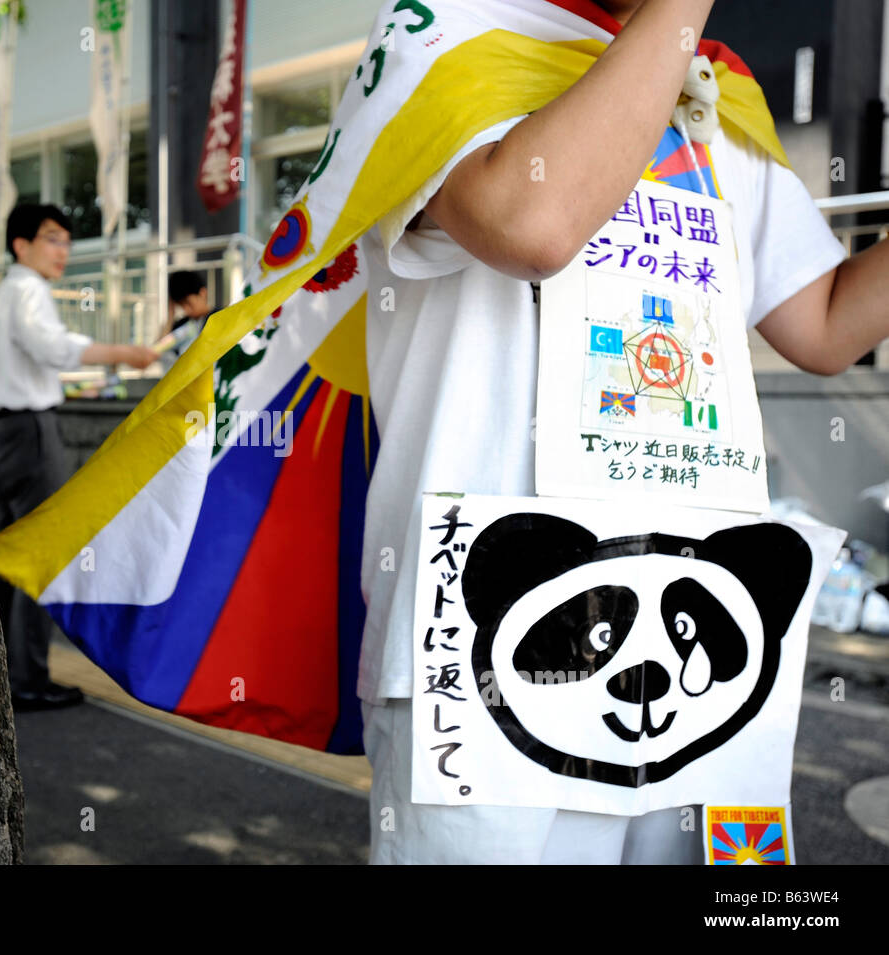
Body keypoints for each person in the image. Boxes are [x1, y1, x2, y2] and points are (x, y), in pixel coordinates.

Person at [359, 0, 889, 863]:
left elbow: (824, 322)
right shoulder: (441, 33)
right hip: (490, 643)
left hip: (705, 636)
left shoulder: (714, 89)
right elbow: (529, 224)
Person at [0, 202, 156, 711]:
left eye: (67, 241)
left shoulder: (6, 293)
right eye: (52, 238)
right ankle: (26, 678)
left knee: (8, 556)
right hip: (28, 433)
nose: (63, 250)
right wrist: (123, 353)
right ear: (21, 245)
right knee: (41, 555)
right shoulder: (26, 289)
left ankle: (1, 673)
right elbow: (52, 347)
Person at [158, 270, 217, 371]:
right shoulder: (181, 325)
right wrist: (170, 318)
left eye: (188, 303)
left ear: (202, 293)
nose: (186, 310)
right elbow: (160, 349)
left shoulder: (218, 318)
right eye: (181, 305)